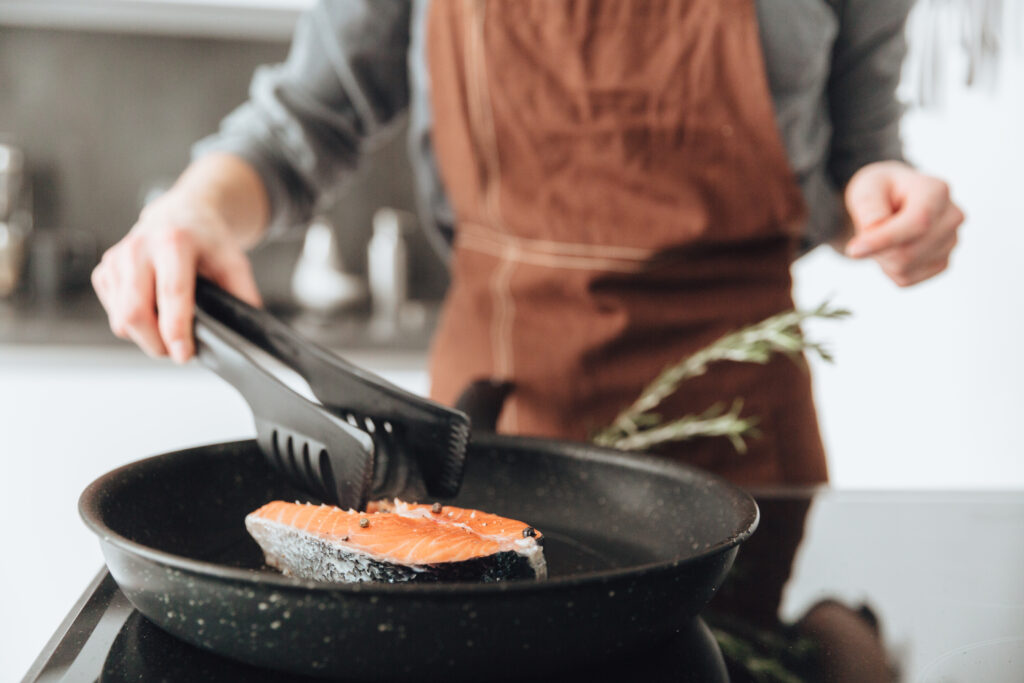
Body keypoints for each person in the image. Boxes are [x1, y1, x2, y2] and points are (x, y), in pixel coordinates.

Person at [92, 0, 963, 487]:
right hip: (491, 442)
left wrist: (887, 201)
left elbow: (861, 150)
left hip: (745, 445)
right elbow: (303, 123)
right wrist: (196, 212)